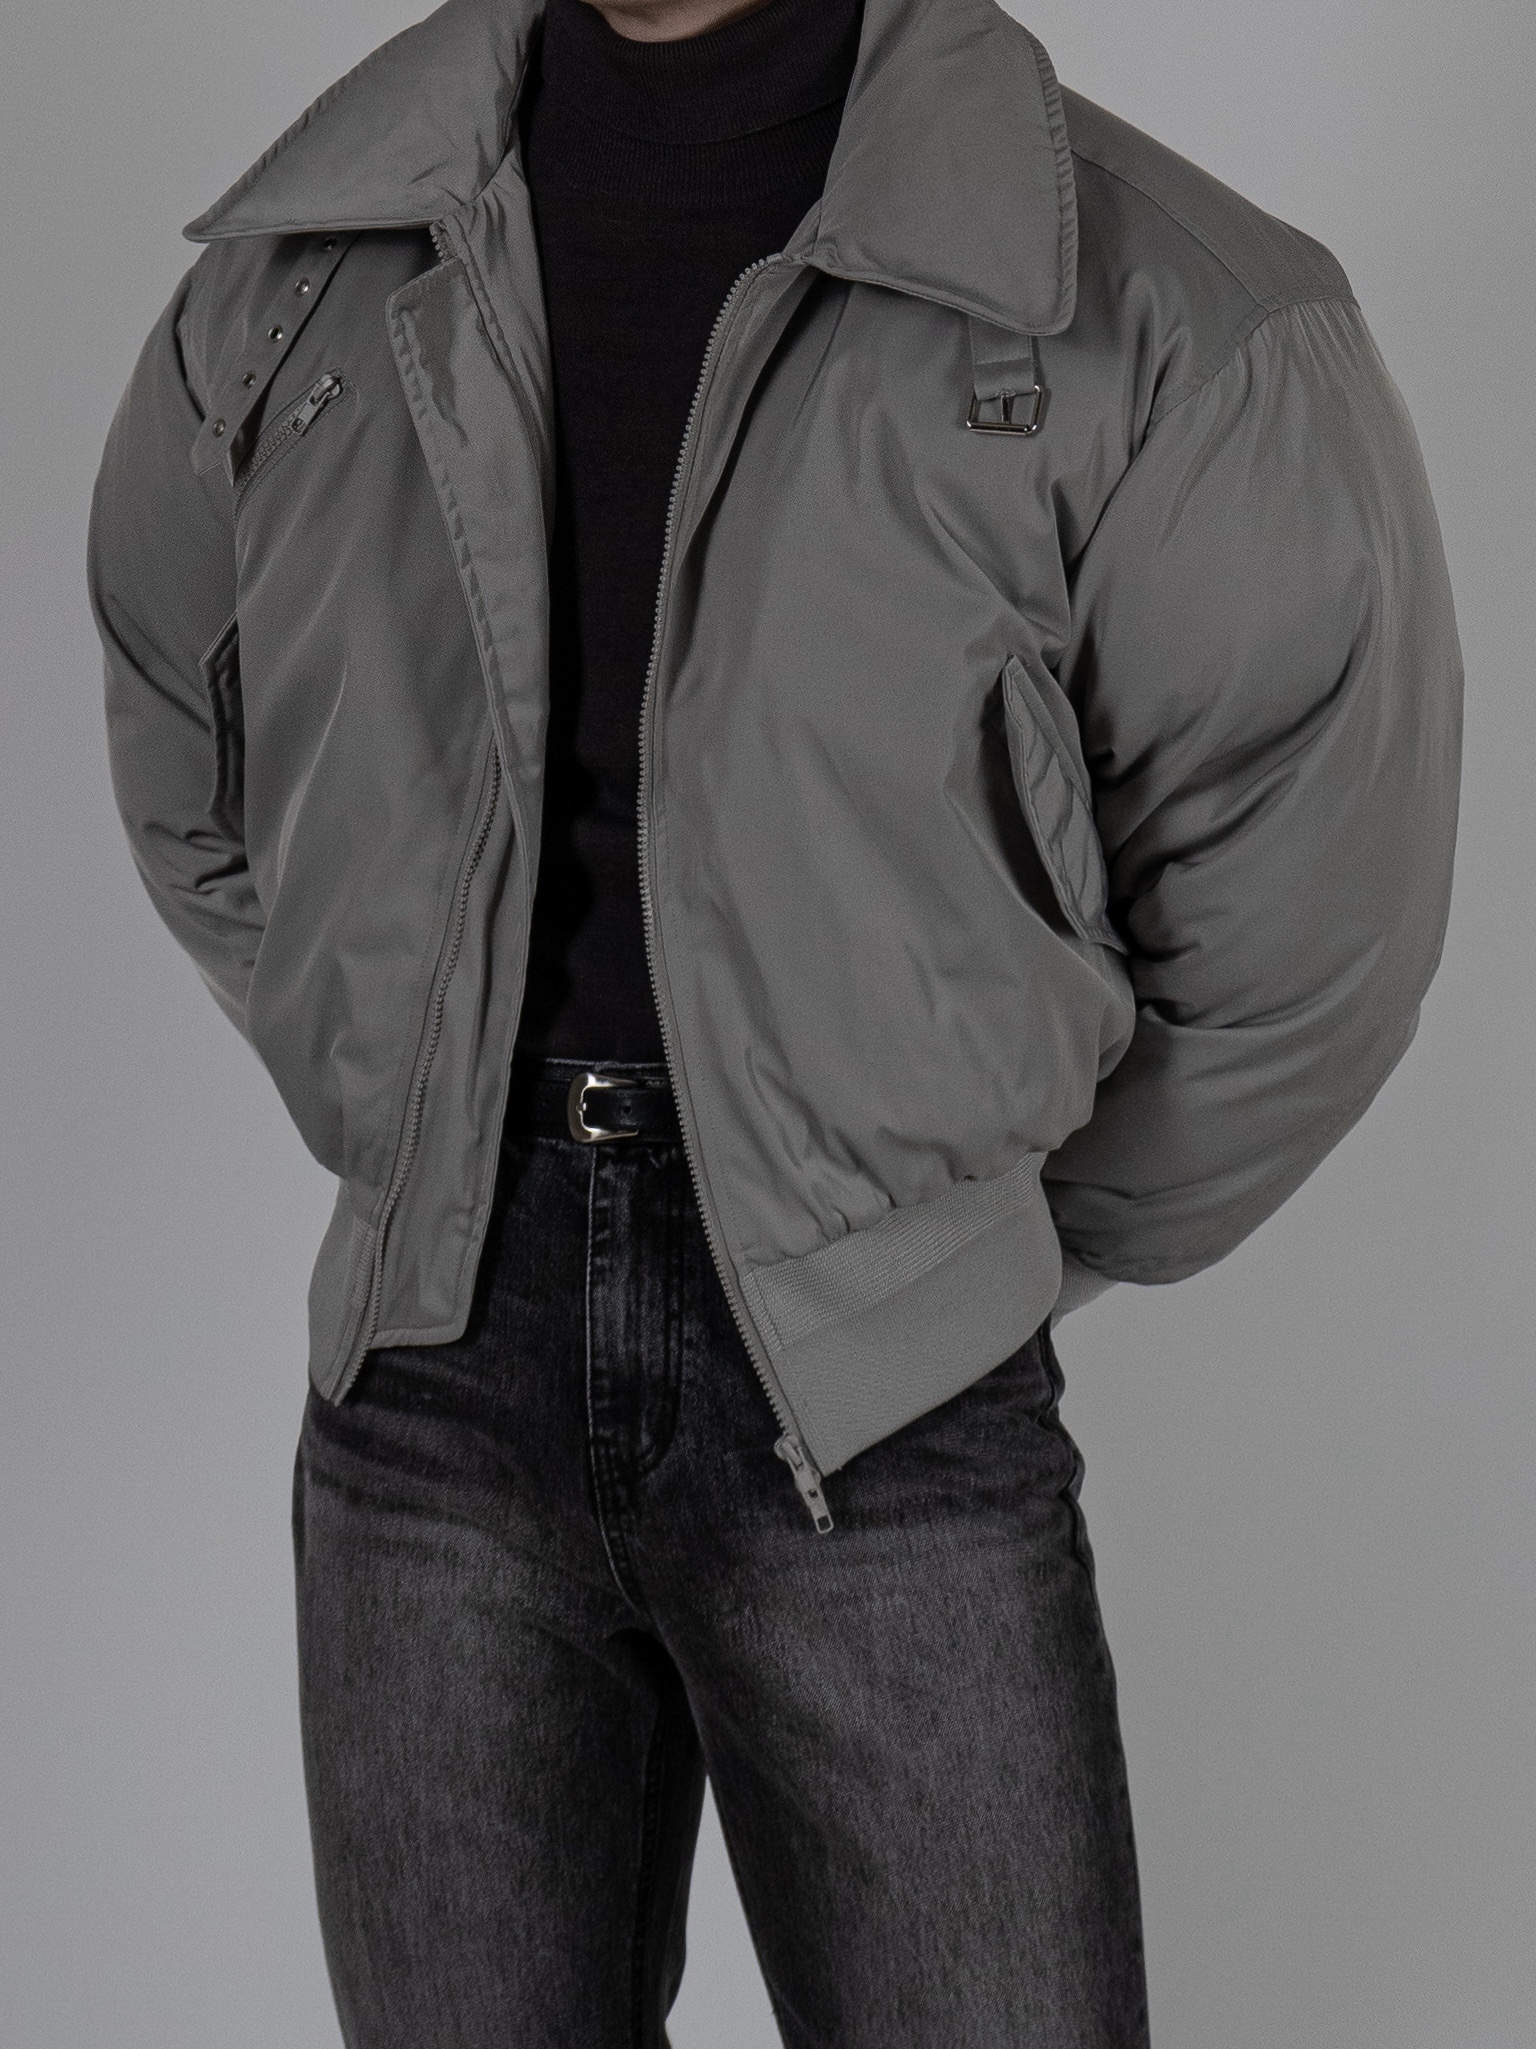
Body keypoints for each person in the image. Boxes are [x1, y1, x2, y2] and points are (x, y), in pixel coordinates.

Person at [87, 0, 1462, 2039]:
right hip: (426, 1365)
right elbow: (191, 752)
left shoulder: (1170, 310)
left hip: (891, 1413)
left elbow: (1311, 924)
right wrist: (410, 1105)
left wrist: (939, 1251)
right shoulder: (298, 274)